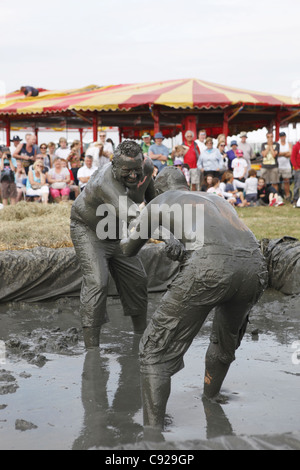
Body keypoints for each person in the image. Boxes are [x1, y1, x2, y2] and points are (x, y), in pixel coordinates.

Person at [120, 166, 268, 439]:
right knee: (225, 341)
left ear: (160, 189)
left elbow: (127, 248)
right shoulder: (218, 200)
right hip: (254, 267)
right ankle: (211, 401)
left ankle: (153, 436)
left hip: (209, 268)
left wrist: (147, 227)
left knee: (154, 351)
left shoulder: (159, 202)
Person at [70, 140, 155, 349]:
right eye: (127, 171)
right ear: (115, 166)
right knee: (97, 282)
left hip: (116, 232)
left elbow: (156, 203)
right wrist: (163, 233)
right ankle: (92, 348)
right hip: (88, 229)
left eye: (137, 169)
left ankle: (140, 335)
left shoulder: (146, 167)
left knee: (137, 279)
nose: (134, 176)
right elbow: (133, 214)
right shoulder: (104, 182)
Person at [278, 131, 292, 200]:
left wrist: (281, 153)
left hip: (287, 166)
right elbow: (277, 153)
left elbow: (290, 154)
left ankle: (287, 196)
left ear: (285, 136)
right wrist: (285, 153)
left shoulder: (288, 144)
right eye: (281, 136)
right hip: (278, 166)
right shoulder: (278, 144)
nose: (282, 138)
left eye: (283, 136)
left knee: (286, 181)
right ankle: (278, 196)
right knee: (277, 182)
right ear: (279, 137)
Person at [291, 138, 300, 206]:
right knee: (297, 185)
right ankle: (295, 199)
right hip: (298, 169)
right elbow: (292, 157)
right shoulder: (296, 146)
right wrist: (296, 167)